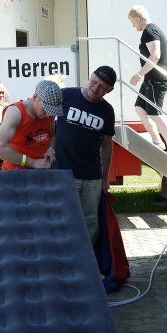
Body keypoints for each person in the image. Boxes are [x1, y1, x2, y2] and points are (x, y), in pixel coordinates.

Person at [54, 66, 116, 242]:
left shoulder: (107, 110)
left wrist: (104, 178)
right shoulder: (66, 95)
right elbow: (48, 124)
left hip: (92, 177)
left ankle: (88, 258)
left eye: (102, 87)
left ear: (109, 90)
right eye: (94, 82)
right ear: (90, 77)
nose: (95, 88)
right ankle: (64, 256)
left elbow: (107, 145)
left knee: (90, 222)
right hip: (64, 172)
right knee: (63, 218)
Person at [128, 5, 167, 153]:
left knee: (155, 113)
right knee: (140, 108)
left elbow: (155, 55)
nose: (133, 25)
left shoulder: (149, 31)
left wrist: (139, 74)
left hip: (157, 79)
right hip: (151, 79)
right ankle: (157, 141)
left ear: (138, 18)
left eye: (132, 22)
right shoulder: (151, 30)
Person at [0, 79, 63, 170]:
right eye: (45, 109)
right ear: (35, 97)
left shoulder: (48, 115)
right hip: (15, 173)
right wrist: (32, 162)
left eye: (51, 111)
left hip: (41, 171)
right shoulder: (15, 112)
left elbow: (52, 135)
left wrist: (50, 149)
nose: (48, 115)